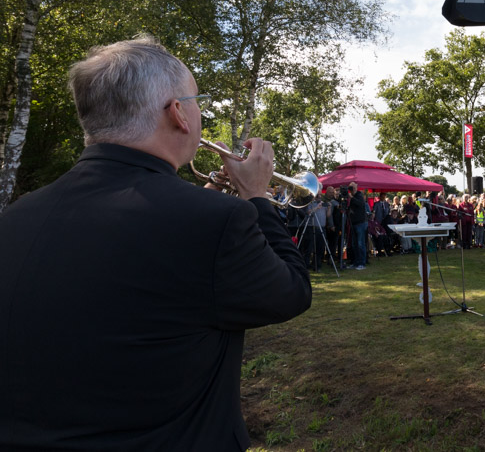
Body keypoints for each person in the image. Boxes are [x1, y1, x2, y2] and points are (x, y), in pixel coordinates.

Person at [0, 36, 311, 449]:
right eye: (196, 101)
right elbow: (291, 292)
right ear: (178, 113)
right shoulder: (216, 219)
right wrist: (256, 196)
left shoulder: (17, 215)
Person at [347, 181, 369, 269]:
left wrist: (351, 197)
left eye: (354, 187)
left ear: (356, 187)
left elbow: (360, 204)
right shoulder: (351, 197)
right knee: (354, 244)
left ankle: (362, 263)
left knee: (360, 244)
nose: (352, 189)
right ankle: (356, 262)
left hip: (361, 223)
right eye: (351, 187)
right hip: (354, 223)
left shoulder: (359, 195)